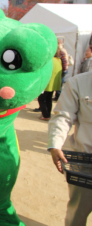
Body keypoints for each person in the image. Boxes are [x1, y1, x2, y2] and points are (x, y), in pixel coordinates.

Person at [48, 70, 92, 226]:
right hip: (86, 164)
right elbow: (63, 116)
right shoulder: (79, 83)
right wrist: (55, 145)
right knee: (78, 212)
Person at [38, 46, 62, 121]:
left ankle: (46, 115)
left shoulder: (49, 60)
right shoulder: (58, 60)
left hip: (46, 84)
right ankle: (47, 114)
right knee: (49, 99)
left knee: (41, 99)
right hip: (53, 84)